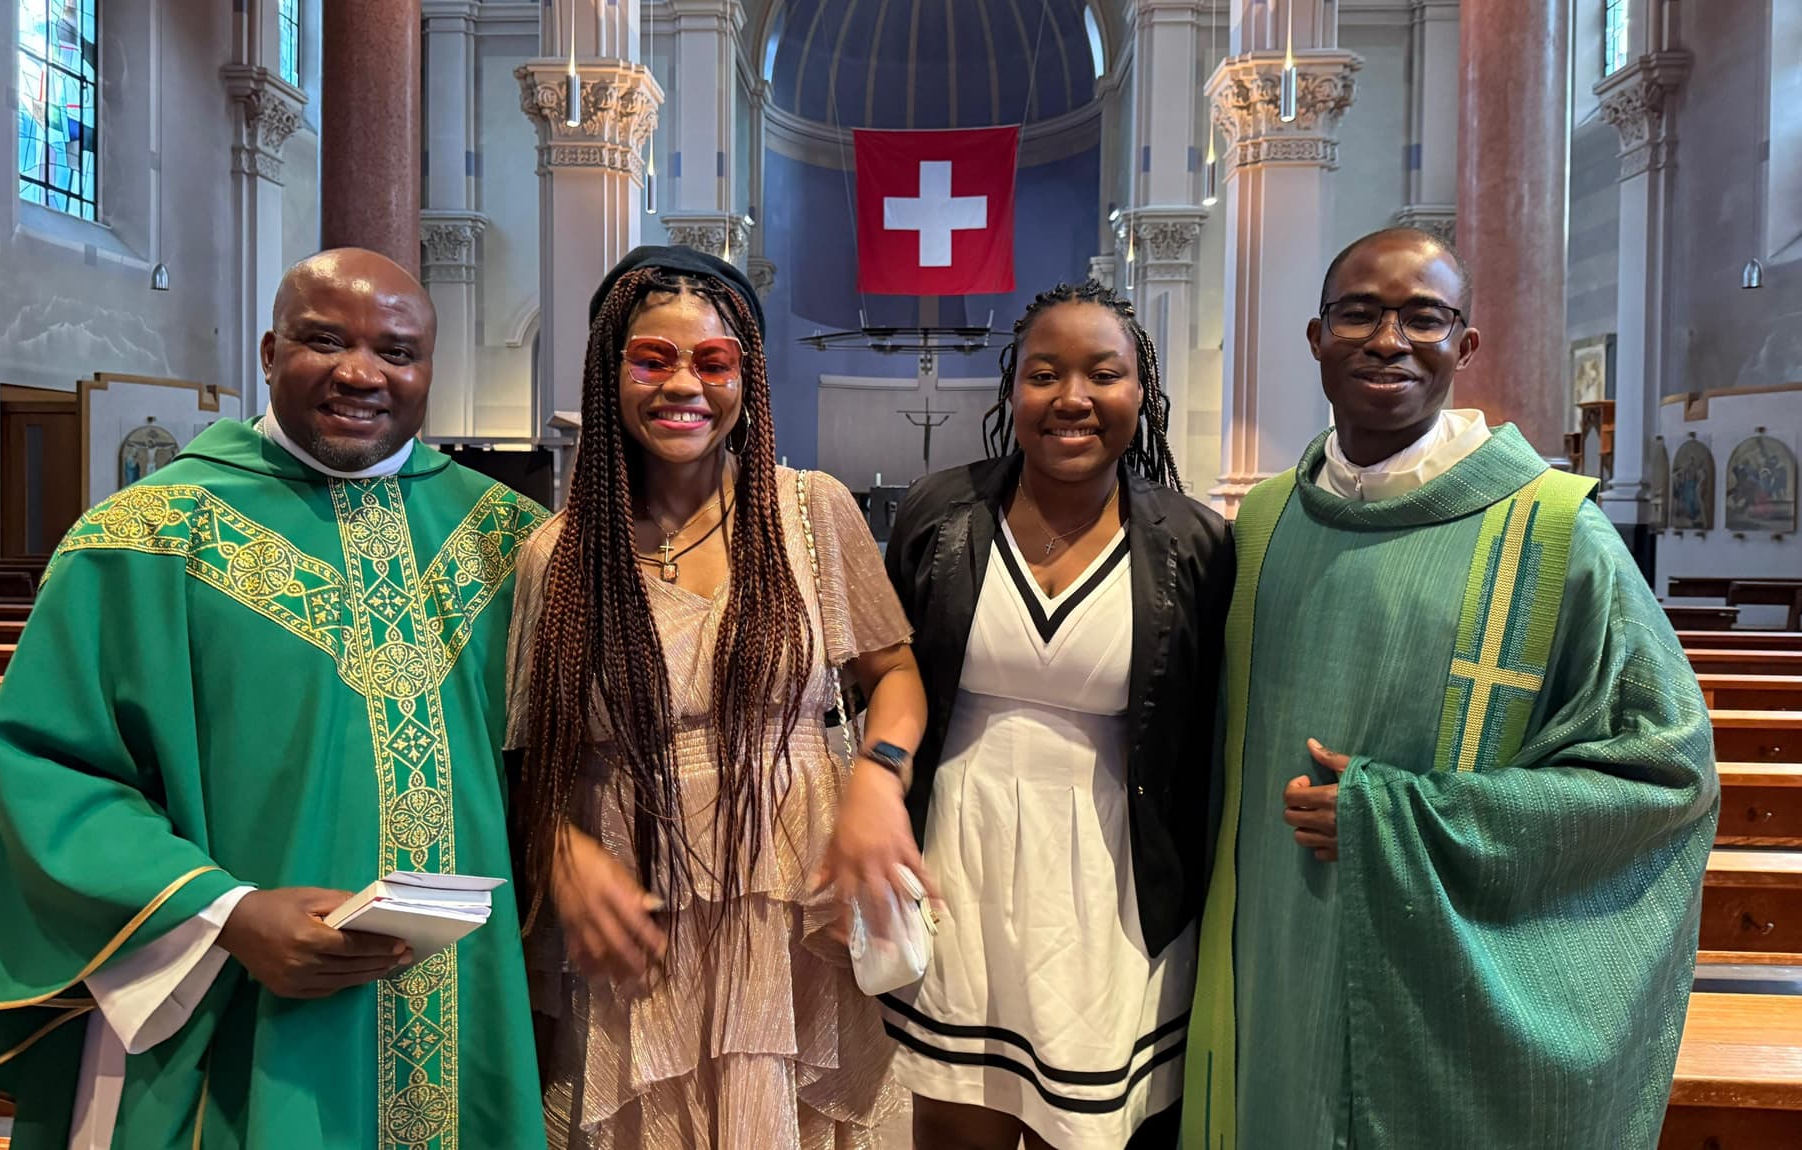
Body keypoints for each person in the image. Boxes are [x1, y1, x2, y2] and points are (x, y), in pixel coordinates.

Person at [0, 248, 549, 1150]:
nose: (361, 374)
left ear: (430, 369)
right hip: (239, 1000)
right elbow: (51, 770)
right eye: (324, 342)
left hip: (472, 1002)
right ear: (269, 354)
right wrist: (224, 912)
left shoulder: (510, 542)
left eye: (396, 352)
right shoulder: (143, 539)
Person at [1182, 228, 1718, 1149]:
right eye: (1359, 314)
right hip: (1274, 952)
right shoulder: (1266, 523)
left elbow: (1666, 775)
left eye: (1423, 318)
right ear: (1316, 337)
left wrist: (1401, 818)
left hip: (1440, 973)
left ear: (1464, 346)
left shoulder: (1554, 530)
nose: (1388, 340)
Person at [506, 245, 926, 1148]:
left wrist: (879, 778)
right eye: (652, 359)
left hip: (792, 892)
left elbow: (893, 676)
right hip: (640, 896)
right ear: (609, 371)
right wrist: (562, 850)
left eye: (713, 360)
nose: (682, 385)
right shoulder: (561, 555)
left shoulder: (810, 512)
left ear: (749, 377)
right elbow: (532, 758)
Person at [880, 282, 1233, 1150]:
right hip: (959, 854)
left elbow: (1209, 728)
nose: (1072, 397)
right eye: (1044, 374)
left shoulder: (1193, 542)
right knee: (957, 1118)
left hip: (1111, 870)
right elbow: (886, 674)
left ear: (1140, 392)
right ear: (1012, 391)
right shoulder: (939, 514)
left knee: (1082, 1126)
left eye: (1102, 374)